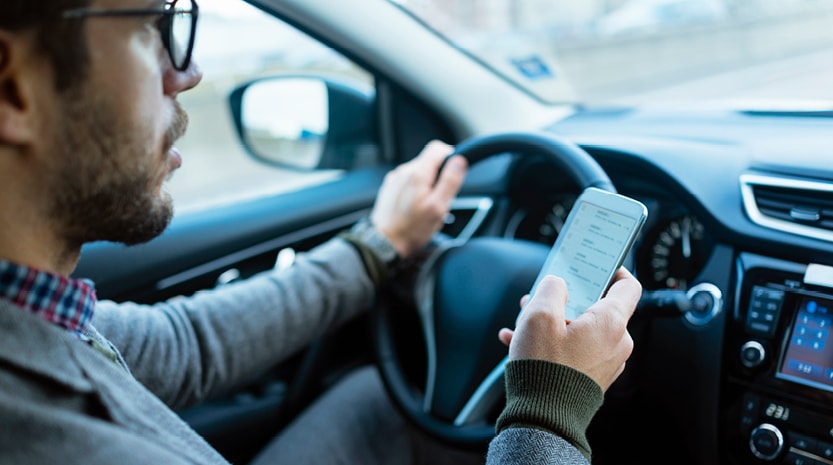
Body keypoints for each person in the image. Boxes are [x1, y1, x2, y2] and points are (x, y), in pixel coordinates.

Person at [0, 1, 641, 464]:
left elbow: (182, 346)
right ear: (12, 88)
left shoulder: (31, 318)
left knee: (374, 401)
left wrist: (377, 247)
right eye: (148, 28)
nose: (186, 72)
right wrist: (550, 410)